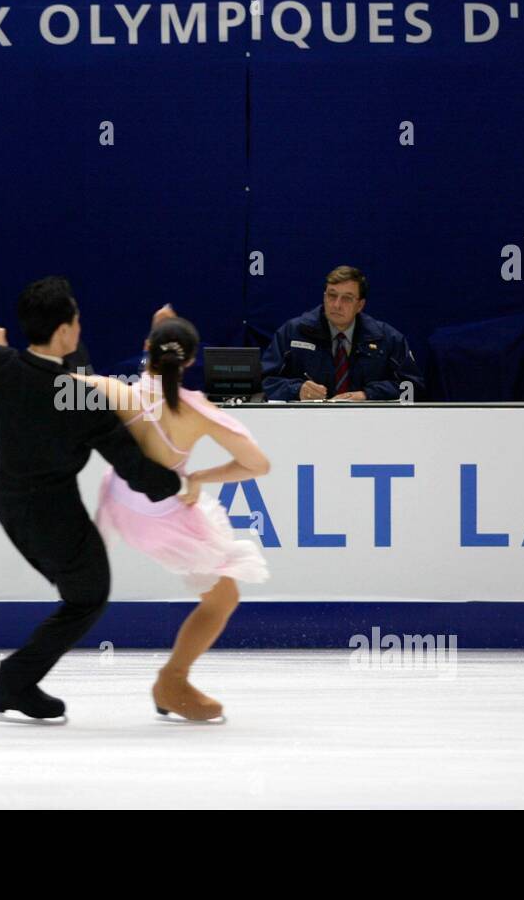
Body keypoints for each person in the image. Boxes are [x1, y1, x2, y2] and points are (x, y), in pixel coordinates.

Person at [0, 277, 181, 722]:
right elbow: (135, 468)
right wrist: (176, 485)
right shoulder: (81, 398)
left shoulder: (0, 366)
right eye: (76, 320)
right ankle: (13, 683)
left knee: (79, 591)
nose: (80, 327)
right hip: (54, 513)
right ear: (63, 330)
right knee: (88, 595)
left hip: (7, 500)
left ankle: (15, 681)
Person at [81, 311, 269, 722]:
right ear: (189, 362)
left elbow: (45, 384)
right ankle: (173, 679)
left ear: (146, 348)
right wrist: (199, 477)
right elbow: (257, 464)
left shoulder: (115, 390)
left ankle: (172, 682)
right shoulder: (197, 409)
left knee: (219, 592)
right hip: (164, 521)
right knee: (223, 598)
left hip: (119, 505)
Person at [261, 265, 424, 401]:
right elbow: (263, 382)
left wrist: (368, 395)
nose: (337, 305)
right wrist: (297, 390)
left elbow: (412, 386)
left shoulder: (387, 338)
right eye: (332, 296)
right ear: (324, 297)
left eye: (347, 298)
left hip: (369, 424)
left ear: (360, 305)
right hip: (306, 423)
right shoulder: (293, 332)